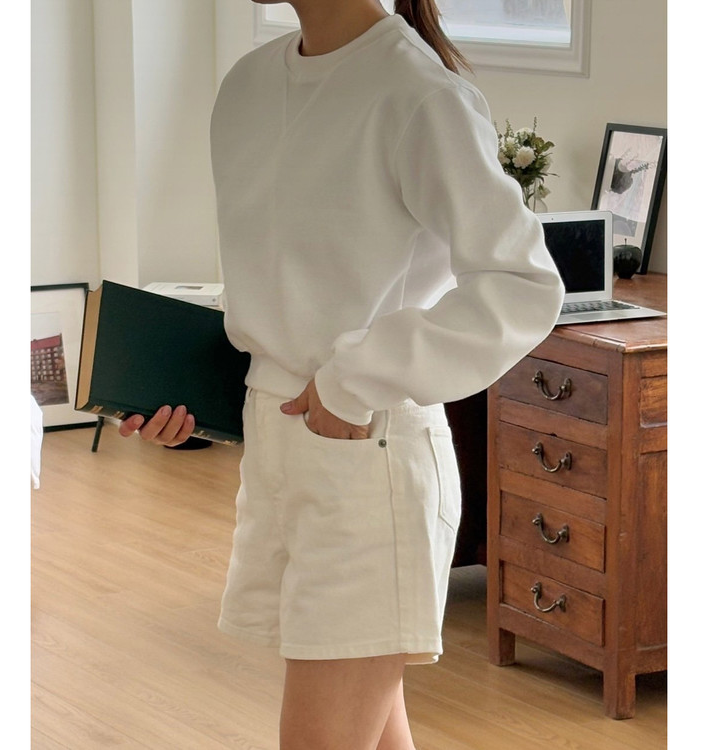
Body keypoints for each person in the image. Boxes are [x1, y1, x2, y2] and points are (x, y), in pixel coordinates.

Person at [120, 1, 564, 747]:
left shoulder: (420, 95)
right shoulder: (248, 85)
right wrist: (195, 407)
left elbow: (523, 286)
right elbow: (275, 292)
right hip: (279, 450)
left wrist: (355, 380)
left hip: (370, 460)